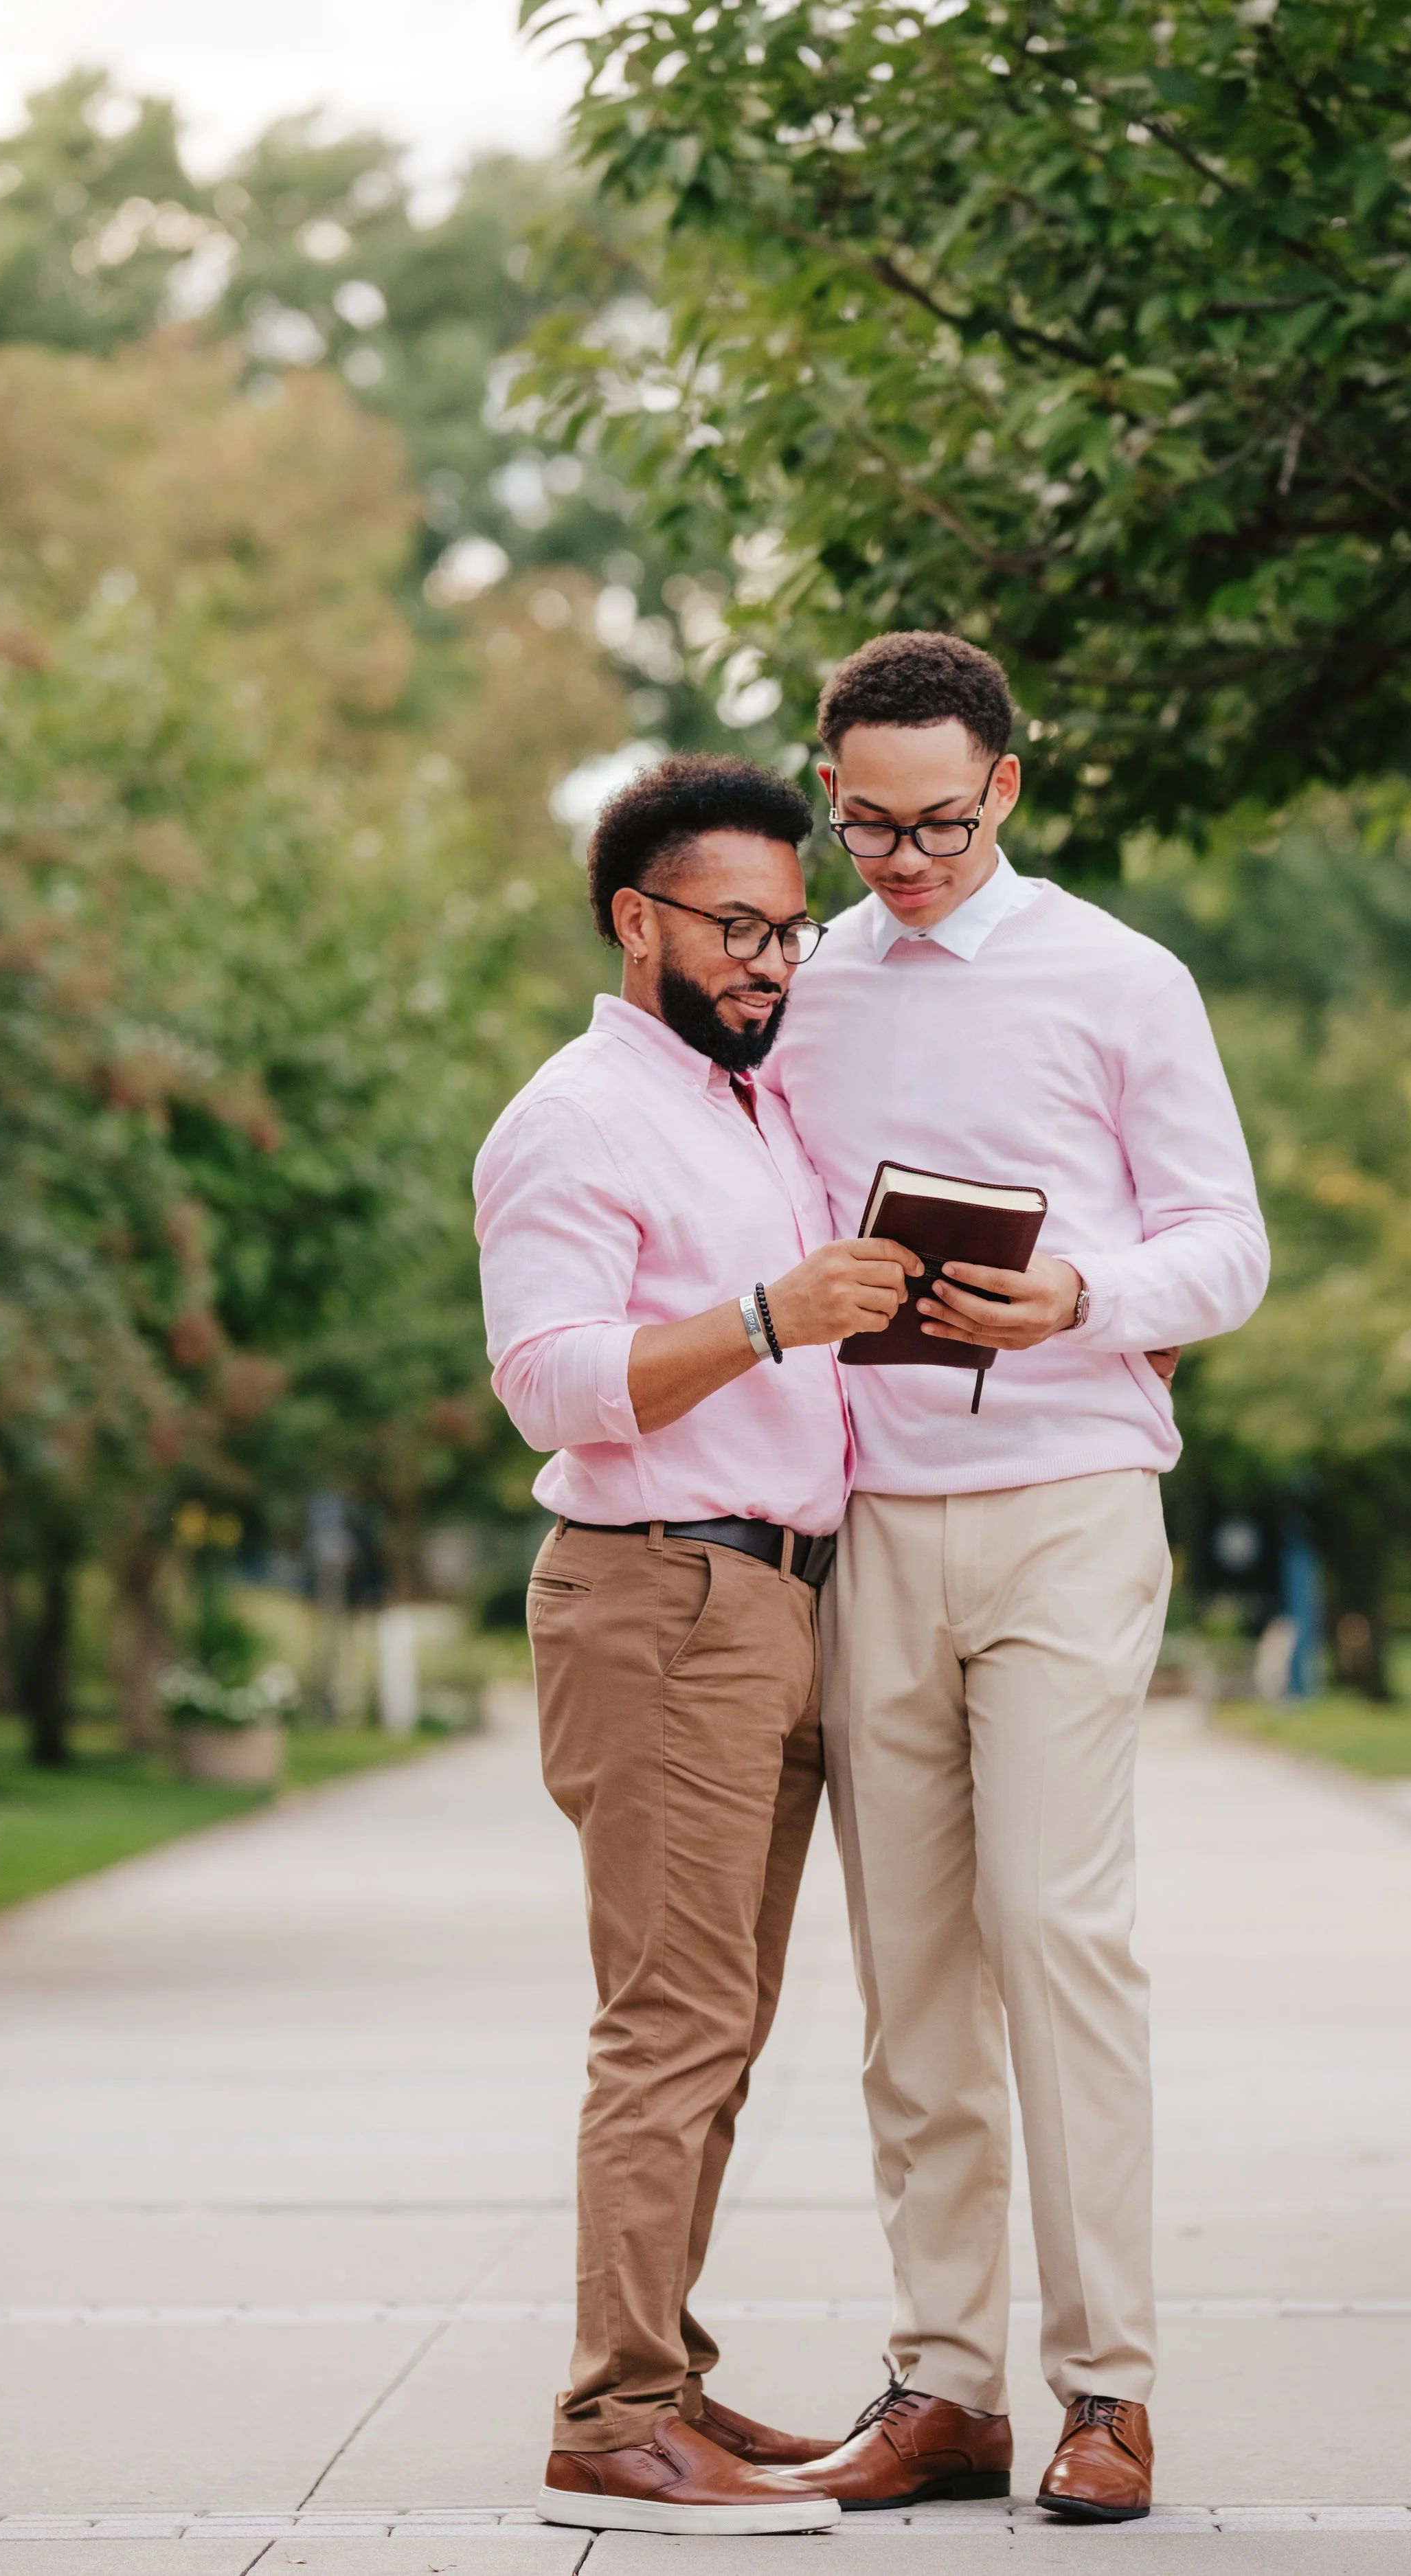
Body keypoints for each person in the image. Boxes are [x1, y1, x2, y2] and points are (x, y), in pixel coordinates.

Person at [763, 633, 1269, 2524]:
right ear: (825, 783)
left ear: (1012, 789)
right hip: (867, 1517)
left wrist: (1082, 1293)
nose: (897, 855)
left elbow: (1228, 1245)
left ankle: (1106, 2390)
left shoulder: (1119, 976)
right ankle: (943, 2378)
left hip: (1065, 1494)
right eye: (864, 820)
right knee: (907, 1975)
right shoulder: (801, 991)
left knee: (1060, 1939)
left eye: (938, 822)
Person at [473, 754, 920, 2539]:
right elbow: (551, 1377)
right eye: (737, 927)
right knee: (669, 2022)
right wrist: (760, 1317)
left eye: (790, 931)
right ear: (633, 917)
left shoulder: (753, 1109)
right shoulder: (573, 1116)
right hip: (657, 1592)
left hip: (777, 1597)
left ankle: (660, 2368)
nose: (771, 961)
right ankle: (609, 2423)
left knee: (722, 2022)